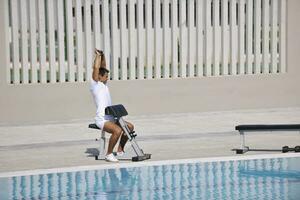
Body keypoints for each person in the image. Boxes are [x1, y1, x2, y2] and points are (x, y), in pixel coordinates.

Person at [90, 49, 134, 162]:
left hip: (110, 118)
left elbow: (102, 67)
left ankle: (120, 150)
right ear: (99, 77)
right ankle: (109, 154)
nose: (107, 78)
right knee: (117, 131)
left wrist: (103, 55)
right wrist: (98, 56)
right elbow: (96, 68)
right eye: (105, 76)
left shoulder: (103, 84)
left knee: (129, 127)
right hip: (102, 119)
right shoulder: (95, 85)